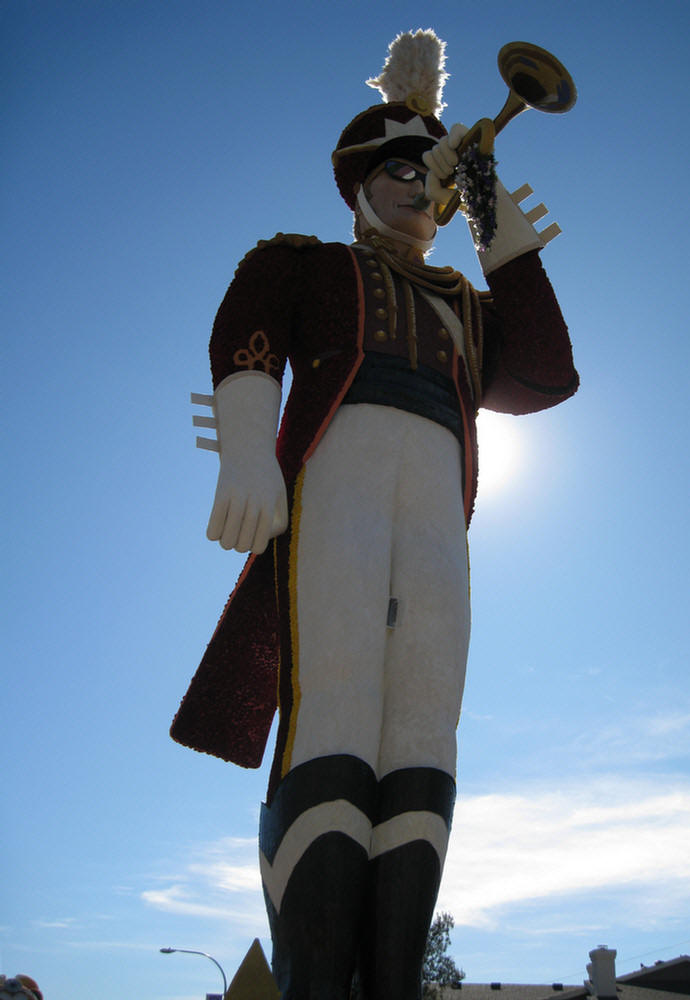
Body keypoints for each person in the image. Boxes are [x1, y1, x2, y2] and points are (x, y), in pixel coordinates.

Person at [171, 29, 578, 1000]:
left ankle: (394, 980)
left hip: (439, 517)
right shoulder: (308, 266)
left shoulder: (464, 311)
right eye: (394, 168)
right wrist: (245, 453)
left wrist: (487, 205)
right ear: (356, 183)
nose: (411, 184)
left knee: (425, 726)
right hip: (340, 493)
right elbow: (248, 332)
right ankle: (316, 978)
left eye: (424, 170)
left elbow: (547, 371)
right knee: (338, 705)